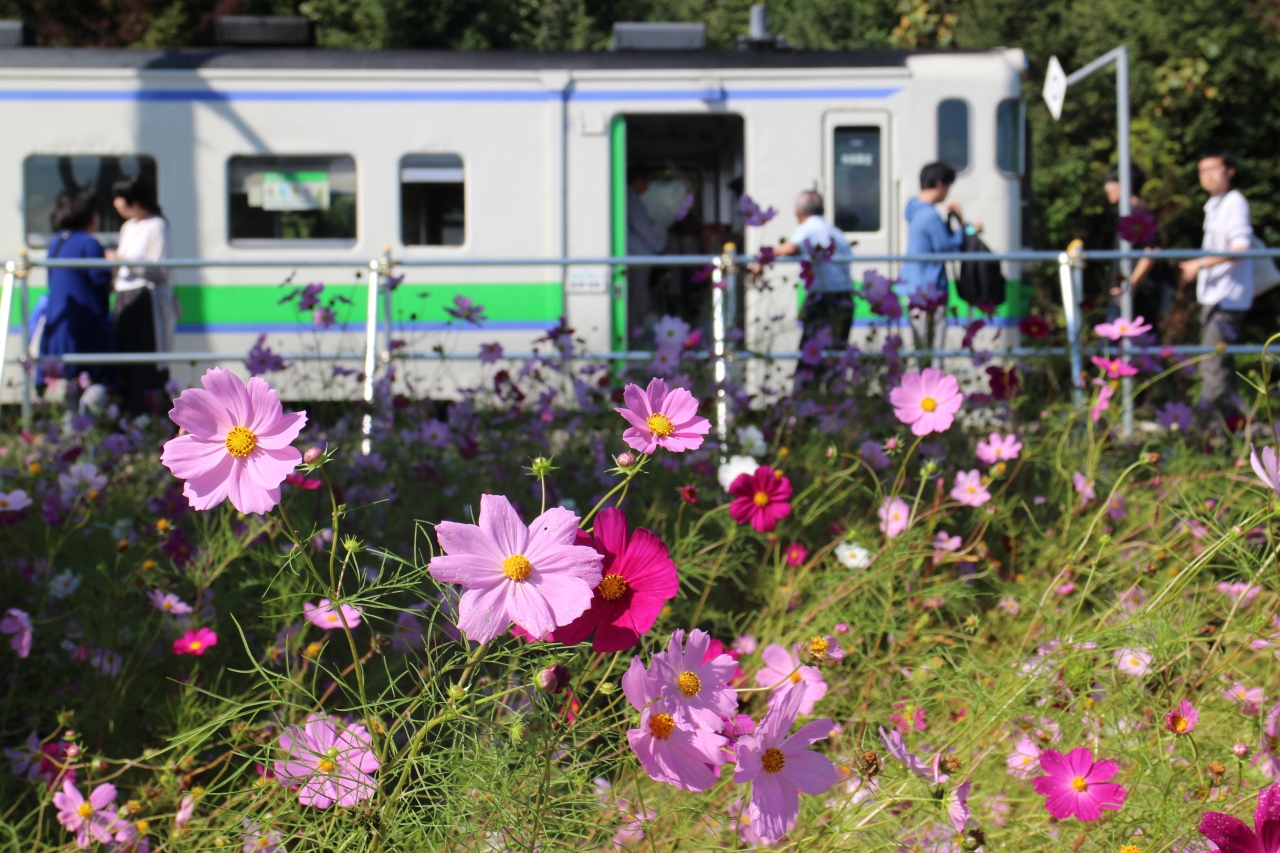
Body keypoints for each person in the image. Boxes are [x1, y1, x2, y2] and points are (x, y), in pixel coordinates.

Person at [1177, 150, 1253, 411]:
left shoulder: (1234, 203)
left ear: (1229, 171)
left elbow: (1240, 248)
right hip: (1218, 296)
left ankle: (1211, 426)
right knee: (1222, 362)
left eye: (1213, 168)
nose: (1207, 175)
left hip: (1227, 297)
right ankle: (1232, 423)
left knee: (1212, 361)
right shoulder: (1217, 205)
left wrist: (1198, 264)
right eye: (1202, 170)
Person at [40, 190, 115, 410]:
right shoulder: (89, 243)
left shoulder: (56, 243)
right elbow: (100, 278)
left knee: (66, 387)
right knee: (92, 386)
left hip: (60, 326)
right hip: (87, 326)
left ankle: (70, 435)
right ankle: (86, 436)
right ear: (91, 215)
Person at [107, 174, 174, 414]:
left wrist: (122, 260)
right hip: (124, 296)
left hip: (145, 298)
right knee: (125, 360)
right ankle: (128, 414)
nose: (116, 203)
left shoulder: (156, 225)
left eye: (120, 197)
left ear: (134, 199)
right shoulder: (128, 227)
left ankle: (147, 414)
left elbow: (160, 269)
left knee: (145, 362)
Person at [775, 190, 855, 348]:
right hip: (846, 297)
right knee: (835, 353)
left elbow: (790, 247)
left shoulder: (808, 228)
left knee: (811, 354)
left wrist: (762, 260)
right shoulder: (837, 233)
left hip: (825, 298)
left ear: (798, 213)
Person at [1105, 165, 1175, 328]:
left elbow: (1152, 251)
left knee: (1133, 347)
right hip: (1128, 294)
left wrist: (1129, 287)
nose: (1107, 188)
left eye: (1112, 182)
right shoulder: (1128, 212)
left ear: (1128, 184)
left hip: (1138, 297)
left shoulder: (1139, 212)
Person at [902, 162, 980, 301]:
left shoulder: (914, 210)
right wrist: (966, 228)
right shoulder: (930, 215)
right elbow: (948, 248)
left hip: (913, 285)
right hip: (929, 290)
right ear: (939, 184)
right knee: (933, 323)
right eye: (948, 187)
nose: (947, 192)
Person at [625, 167, 667, 336]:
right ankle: (637, 337)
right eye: (646, 183)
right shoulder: (631, 197)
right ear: (636, 181)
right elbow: (641, 226)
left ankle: (634, 334)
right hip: (636, 257)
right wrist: (661, 244)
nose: (647, 188)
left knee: (633, 298)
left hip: (632, 255)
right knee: (638, 299)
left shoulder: (626, 196)